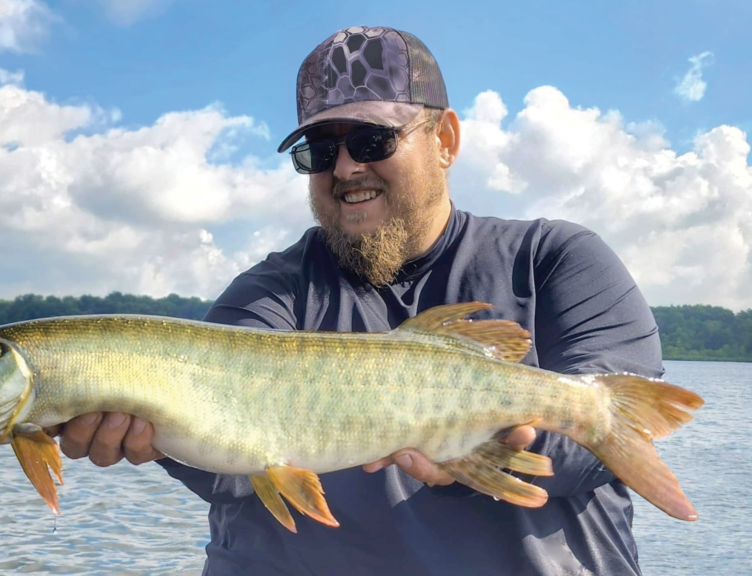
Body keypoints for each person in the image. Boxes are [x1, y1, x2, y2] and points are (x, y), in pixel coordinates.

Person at [48, 26, 663, 575]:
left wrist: (476, 452)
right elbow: (229, 461)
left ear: (445, 138)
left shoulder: (557, 258)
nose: (344, 169)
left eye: (371, 140)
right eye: (318, 150)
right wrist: (147, 435)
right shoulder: (270, 292)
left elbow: (600, 442)